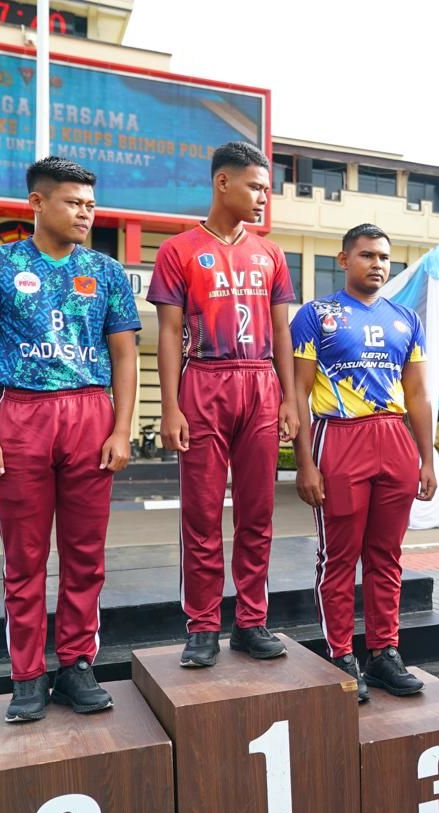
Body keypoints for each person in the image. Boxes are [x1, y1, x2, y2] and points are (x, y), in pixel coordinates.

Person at [0, 156, 140, 722]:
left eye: (91, 203)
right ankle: (27, 674)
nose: (86, 212)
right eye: (73, 202)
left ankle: (77, 665)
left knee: (86, 555)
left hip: (90, 412)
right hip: (22, 414)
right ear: (38, 202)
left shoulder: (106, 272)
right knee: (25, 556)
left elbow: (125, 355)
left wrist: (122, 428)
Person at [149, 142, 299, 668]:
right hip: (204, 381)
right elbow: (168, 334)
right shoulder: (179, 251)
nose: (264, 196)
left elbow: (281, 330)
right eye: (256, 186)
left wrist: (287, 397)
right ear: (223, 184)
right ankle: (203, 626)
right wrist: (170, 405)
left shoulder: (271, 254)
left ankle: (251, 622)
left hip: (259, 382)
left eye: (266, 187)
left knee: (258, 512)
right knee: (202, 513)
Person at [291, 223, 437, 702]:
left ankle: (383, 653)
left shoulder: (405, 319)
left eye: (383, 257)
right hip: (340, 436)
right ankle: (339, 654)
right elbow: (296, 391)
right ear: (344, 259)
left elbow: (416, 392)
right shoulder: (317, 315)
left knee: (386, 556)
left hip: (395, 439)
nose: (377, 264)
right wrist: (304, 463)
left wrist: (427, 460)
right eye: (367, 255)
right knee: (339, 555)